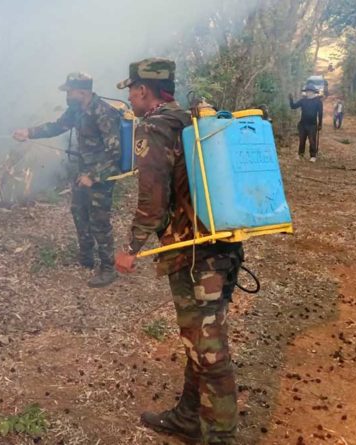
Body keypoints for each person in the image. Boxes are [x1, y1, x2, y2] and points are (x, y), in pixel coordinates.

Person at [114, 58, 244, 444]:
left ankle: (221, 435)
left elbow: (152, 204)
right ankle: (190, 417)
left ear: (142, 90)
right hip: (222, 245)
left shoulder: (153, 129)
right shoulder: (190, 120)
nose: (130, 97)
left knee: (210, 350)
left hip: (194, 255)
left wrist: (129, 248)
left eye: (131, 90)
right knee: (198, 340)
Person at [12, 72, 121, 288]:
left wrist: (93, 176)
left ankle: (108, 268)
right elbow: (56, 127)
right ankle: (86, 256)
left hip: (101, 174)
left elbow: (114, 153)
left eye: (69, 91)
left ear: (82, 91)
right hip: (83, 172)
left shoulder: (103, 113)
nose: (67, 95)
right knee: (79, 210)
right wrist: (29, 132)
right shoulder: (76, 110)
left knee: (99, 219)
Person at [289, 86, 323, 162]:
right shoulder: (303, 100)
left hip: (312, 124)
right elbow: (293, 106)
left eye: (310, 91)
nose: (308, 92)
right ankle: (300, 155)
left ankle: (313, 156)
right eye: (307, 91)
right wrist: (290, 99)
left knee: (312, 140)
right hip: (302, 124)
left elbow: (320, 113)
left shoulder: (318, 101)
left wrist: (320, 124)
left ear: (314, 92)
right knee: (302, 140)